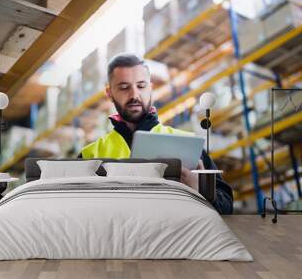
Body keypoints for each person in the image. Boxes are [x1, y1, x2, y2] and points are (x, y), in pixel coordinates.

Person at [78, 53, 233, 214]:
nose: (134, 95)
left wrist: (201, 191)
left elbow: (228, 208)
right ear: (109, 94)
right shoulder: (89, 155)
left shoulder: (187, 144)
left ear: (150, 88)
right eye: (124, 87)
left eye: (141, 86)